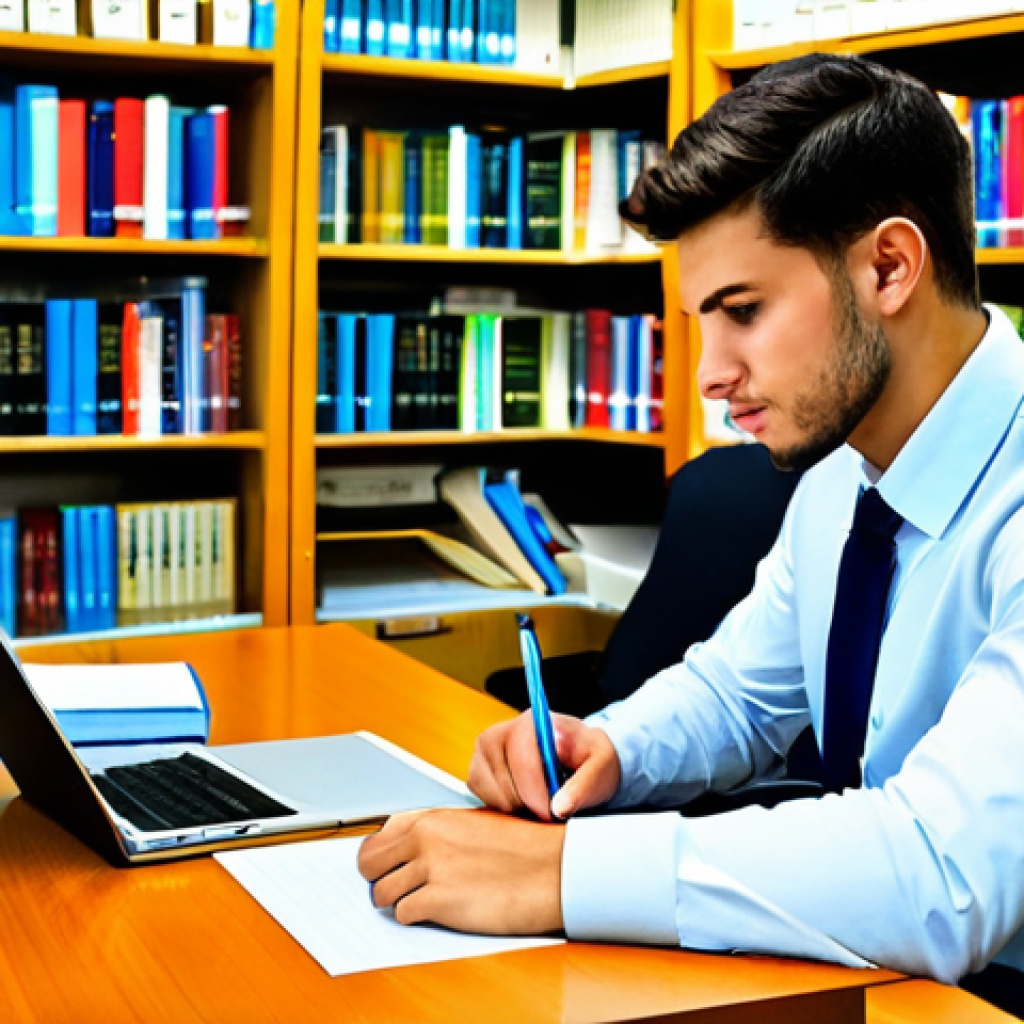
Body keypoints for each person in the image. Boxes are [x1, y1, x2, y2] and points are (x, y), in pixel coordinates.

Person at [358, 52, 1024, 1009]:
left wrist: (554, 875)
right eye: (699, 322)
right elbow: (740, 694)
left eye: (742, 312)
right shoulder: (843, 470)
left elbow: (942, 877)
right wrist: (609, 749)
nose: (710, 374)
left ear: (889, 267)